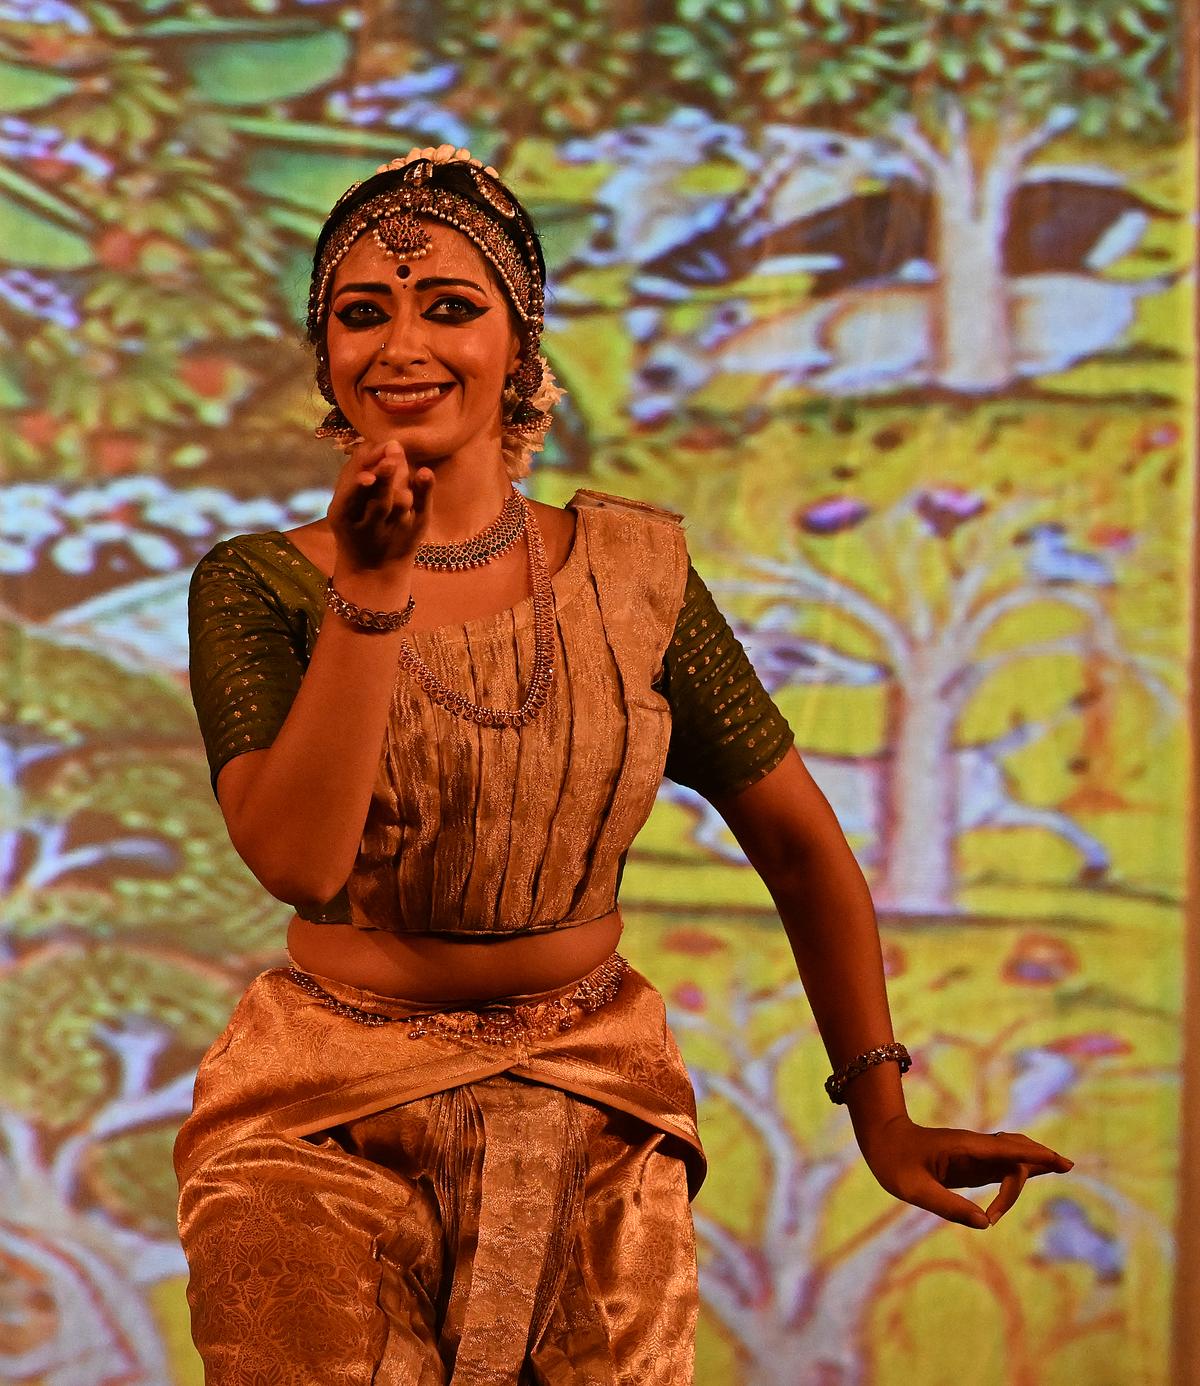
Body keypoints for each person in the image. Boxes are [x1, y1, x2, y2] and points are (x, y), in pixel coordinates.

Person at [174, 144, 1072, 1384]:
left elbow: (802, 848)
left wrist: (883, 1115)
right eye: (361, 313)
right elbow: (298, 859)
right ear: (322, 351)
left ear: (522, 341)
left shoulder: (633, 582)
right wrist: (371, 594)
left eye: (451, 307)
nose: (403, 346)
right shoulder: (260, 585)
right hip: (324, 1122)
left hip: (594, 1106)